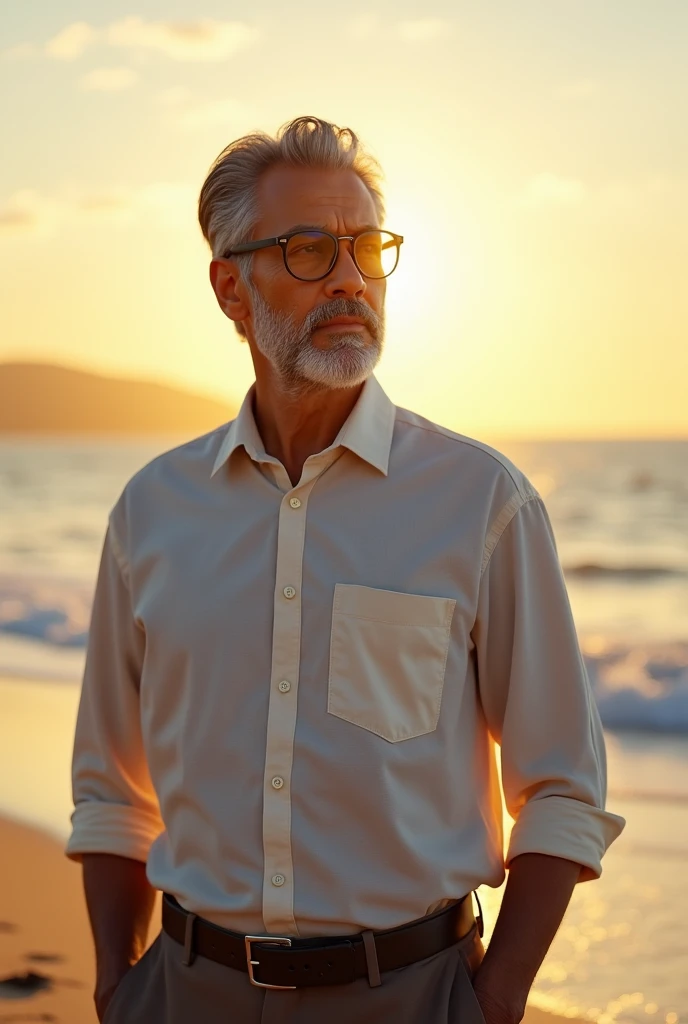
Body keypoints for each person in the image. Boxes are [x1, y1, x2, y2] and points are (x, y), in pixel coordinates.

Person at [65, 116, 625, 1024]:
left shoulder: (483, 501)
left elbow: (562, 785)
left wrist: (497, 1000)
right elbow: (109, 790)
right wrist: (115, 987)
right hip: (181, 991)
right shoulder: (151, 512)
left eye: (367, 248)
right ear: (230, 287)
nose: (351, 280)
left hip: (413, 996)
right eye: (310, 251)